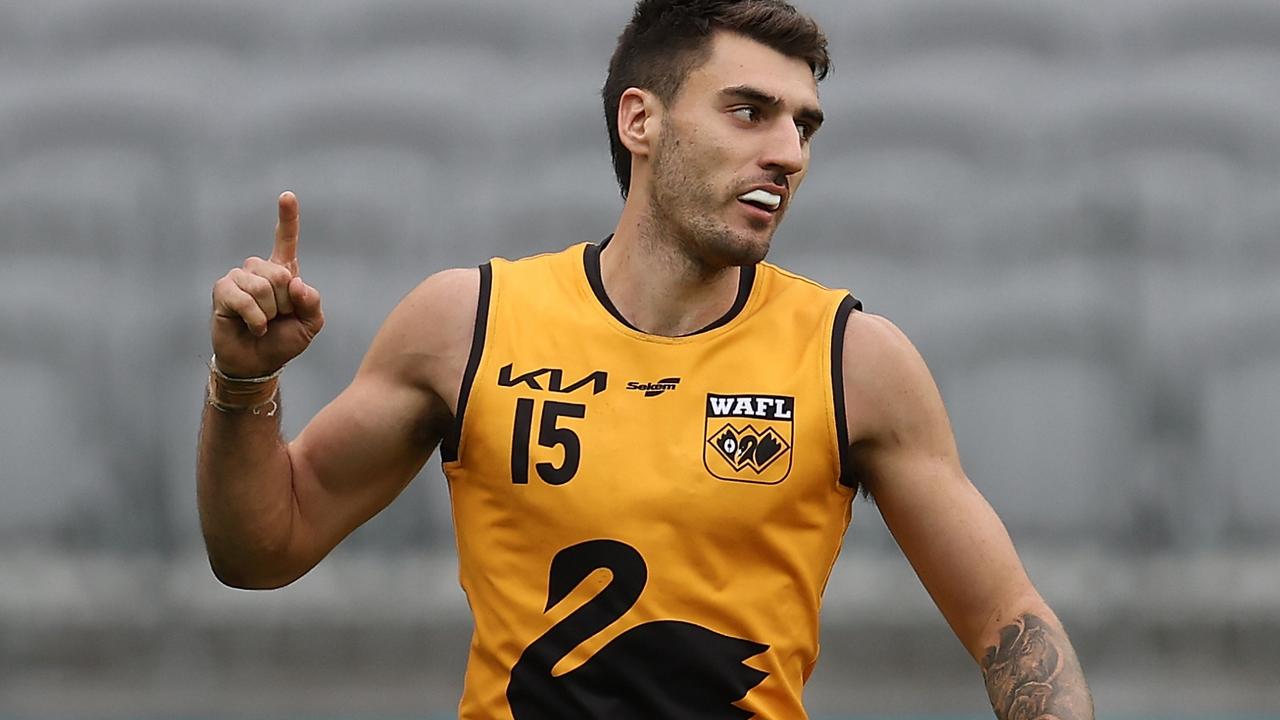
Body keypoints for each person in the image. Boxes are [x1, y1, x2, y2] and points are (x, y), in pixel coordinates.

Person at [198, 1, 1095, 717]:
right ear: (641, 121)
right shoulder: (466, 322)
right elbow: (261, 550)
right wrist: (243, 381)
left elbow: (1008, 623)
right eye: (750, 111)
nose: (788, 153)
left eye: (804, 127)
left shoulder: (853, 358)